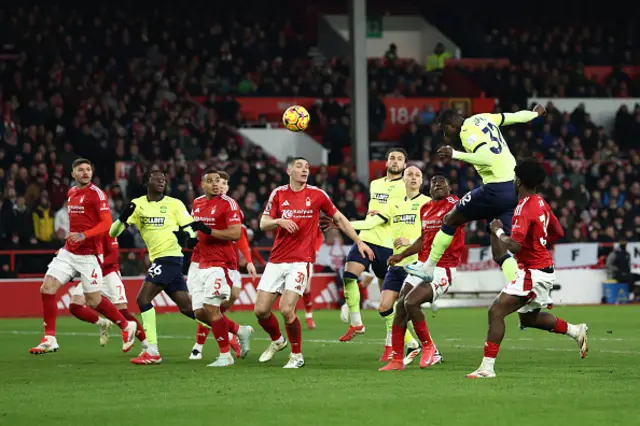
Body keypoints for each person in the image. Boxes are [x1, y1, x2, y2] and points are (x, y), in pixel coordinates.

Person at [467, 159, 588, 379]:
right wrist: (538, 243)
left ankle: (487, 368)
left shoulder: (523, 207)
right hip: (541, 267)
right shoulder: (540, 202)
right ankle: (575, 330)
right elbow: (558, 232)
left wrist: (497, 232)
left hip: (533, 271)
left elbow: (514, 245)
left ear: (519, 180)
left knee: (495, 311)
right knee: (528, 319)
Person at [254, 157, 375, 368]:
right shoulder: (279, 194)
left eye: (307, 167)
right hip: (276, 260)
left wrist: (358, 241)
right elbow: (263, 223)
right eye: (299, 166)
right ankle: (277, 340)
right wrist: (278, 221)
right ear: (289, 170)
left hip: (300, 261)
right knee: (261, 311)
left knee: (286, 309)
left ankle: (297, 355)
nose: (304, 170)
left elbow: (339, 218)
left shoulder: (318, 195)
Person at [407, 106, 546, 286]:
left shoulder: (467, 132)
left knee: (450, 219)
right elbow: (514, 117)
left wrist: (455, 154)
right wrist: (535, 113)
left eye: (444, 131)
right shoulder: (483, 118)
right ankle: (523, 287)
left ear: (450, 126)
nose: (445, 136)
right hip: (513, 189)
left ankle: (428, 268)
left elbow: (488, 158)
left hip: (495, 188)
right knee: (500, 252)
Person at [30, 159, 138, 355]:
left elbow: (106, 223)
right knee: (46, 288)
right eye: (80, 170)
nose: (85, 173)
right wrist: (68, 244)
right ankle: (50, 338)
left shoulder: (97, 194)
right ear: (73, 174)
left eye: (88, 169)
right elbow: (77, 226)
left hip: (89, 255)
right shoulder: (72, 193)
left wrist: (84, 236)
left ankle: (126, 325)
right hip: (69, 252)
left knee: (93, 301)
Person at [325, 166, 426, 360]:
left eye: (417, 175)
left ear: (421, 181)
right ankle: (410, 344)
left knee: (409, 306)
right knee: (386, 306)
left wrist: (412, 242)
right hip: (396, 261)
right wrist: (342, 223)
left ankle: (428, 348)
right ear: (402, 180)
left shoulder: (426, 203)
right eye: (410, 175)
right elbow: (370, 223)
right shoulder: (392, 205)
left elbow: (432, 233)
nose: (413, 178)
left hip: (416, 264)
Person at [109, 170, 209, 365]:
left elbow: (189, 227)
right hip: (159, 260)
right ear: (147, 181)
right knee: (188, 308)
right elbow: (113, 233)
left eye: (164, 179)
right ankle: (234, 331)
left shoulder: (174, 204)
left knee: (143, 299)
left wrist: (190, 238)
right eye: (158, 179)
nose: (162, 181)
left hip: (170, 258)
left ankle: (152, 350)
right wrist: (122, 218)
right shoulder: (138, 205)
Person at [379, 175, 464, 371]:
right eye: (434, 183)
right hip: (421, 265)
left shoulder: (455, 204)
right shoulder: (425, 209)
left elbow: (469, 212)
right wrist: (401, 256)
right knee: (400, 306)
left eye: (442, 182)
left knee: (411, 302)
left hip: (442, 268)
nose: (438, 184)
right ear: (430, 189)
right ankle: (397, 360)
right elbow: (423, 239)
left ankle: (429, 347)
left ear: (449, 188)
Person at [340, 148, 407, 341]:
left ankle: (390, 341)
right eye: (392, 158)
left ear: (404, 165)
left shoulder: (404, 187)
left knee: (387, 300)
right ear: (386, 163)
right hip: (366, 237)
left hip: (387, 244)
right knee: (349, 275)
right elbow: (372, 212)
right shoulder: (375, 184)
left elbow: (392, 215)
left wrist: (380, 216)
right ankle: (356, 323)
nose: (395, 161)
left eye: (399, 159)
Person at [189, 171, 257, 360]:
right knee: (200, 313)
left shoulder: (229, 204)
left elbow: (236, 234)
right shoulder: (197, 203)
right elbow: (193, 229)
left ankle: (223, 354)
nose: (215, 184)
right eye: (210, 181)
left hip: (221, 263)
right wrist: (188, 239)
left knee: (213, 307)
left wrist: (208, 230)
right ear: (203, 184)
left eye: (218, 181)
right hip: (200, 263)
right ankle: (238, 330)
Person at [67, 234, 148, 349]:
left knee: (123, 312)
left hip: (108, 274)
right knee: (75, 306)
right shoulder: (84, 230)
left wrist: (94, 266)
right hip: (91, 274)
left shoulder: (107, 229)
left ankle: (147, 346)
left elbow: (113, 256)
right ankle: (103, 323)